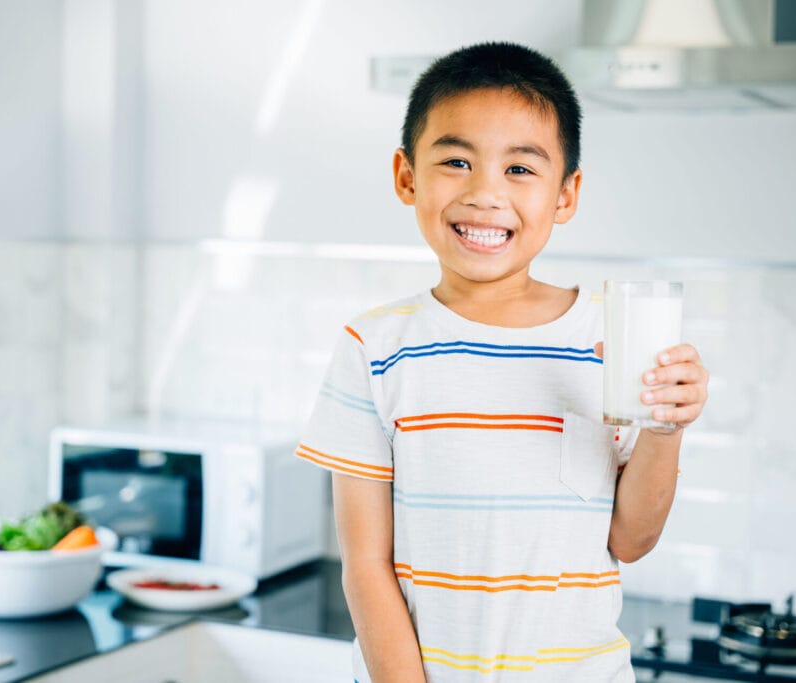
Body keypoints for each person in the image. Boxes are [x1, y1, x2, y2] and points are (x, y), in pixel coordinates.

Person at [294, 42, 709, 682]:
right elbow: (366, 565)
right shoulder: (373, 349)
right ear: (407, 177)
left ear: (566, 194)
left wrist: (665, 429)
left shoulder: (612, 334)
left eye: (520, 170)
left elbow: (630, 540)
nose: (486, 194)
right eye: (456, 161)